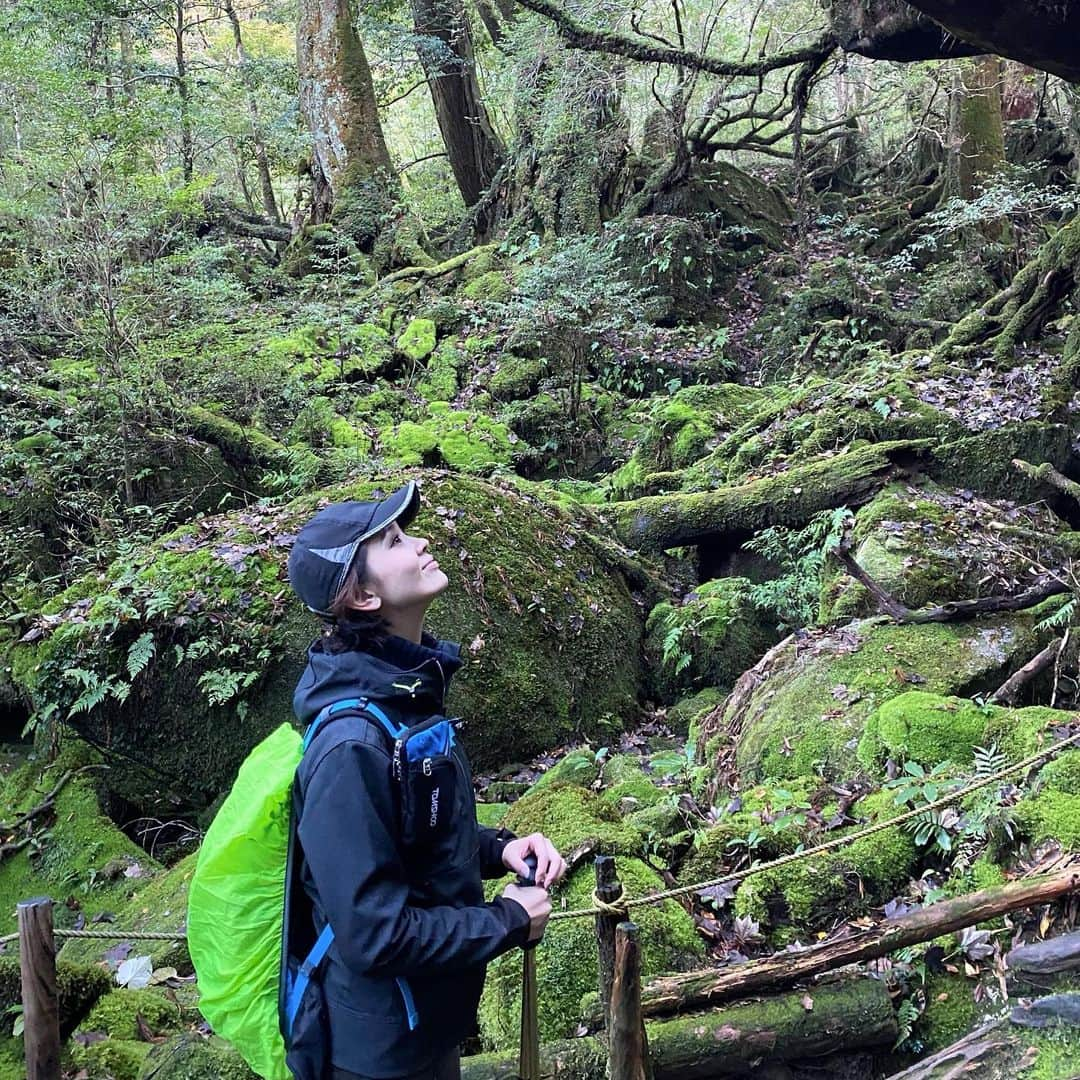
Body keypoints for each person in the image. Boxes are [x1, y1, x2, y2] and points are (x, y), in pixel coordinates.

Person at [286, 479, 567, 1080]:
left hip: (425, 1028)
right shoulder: (351, 747)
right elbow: (374, 936)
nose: (419, 543)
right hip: (377, 1053)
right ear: (362, 595)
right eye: (392, 540)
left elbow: (420, 835)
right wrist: (507, 921)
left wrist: (499, 848)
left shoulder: (404, 694)